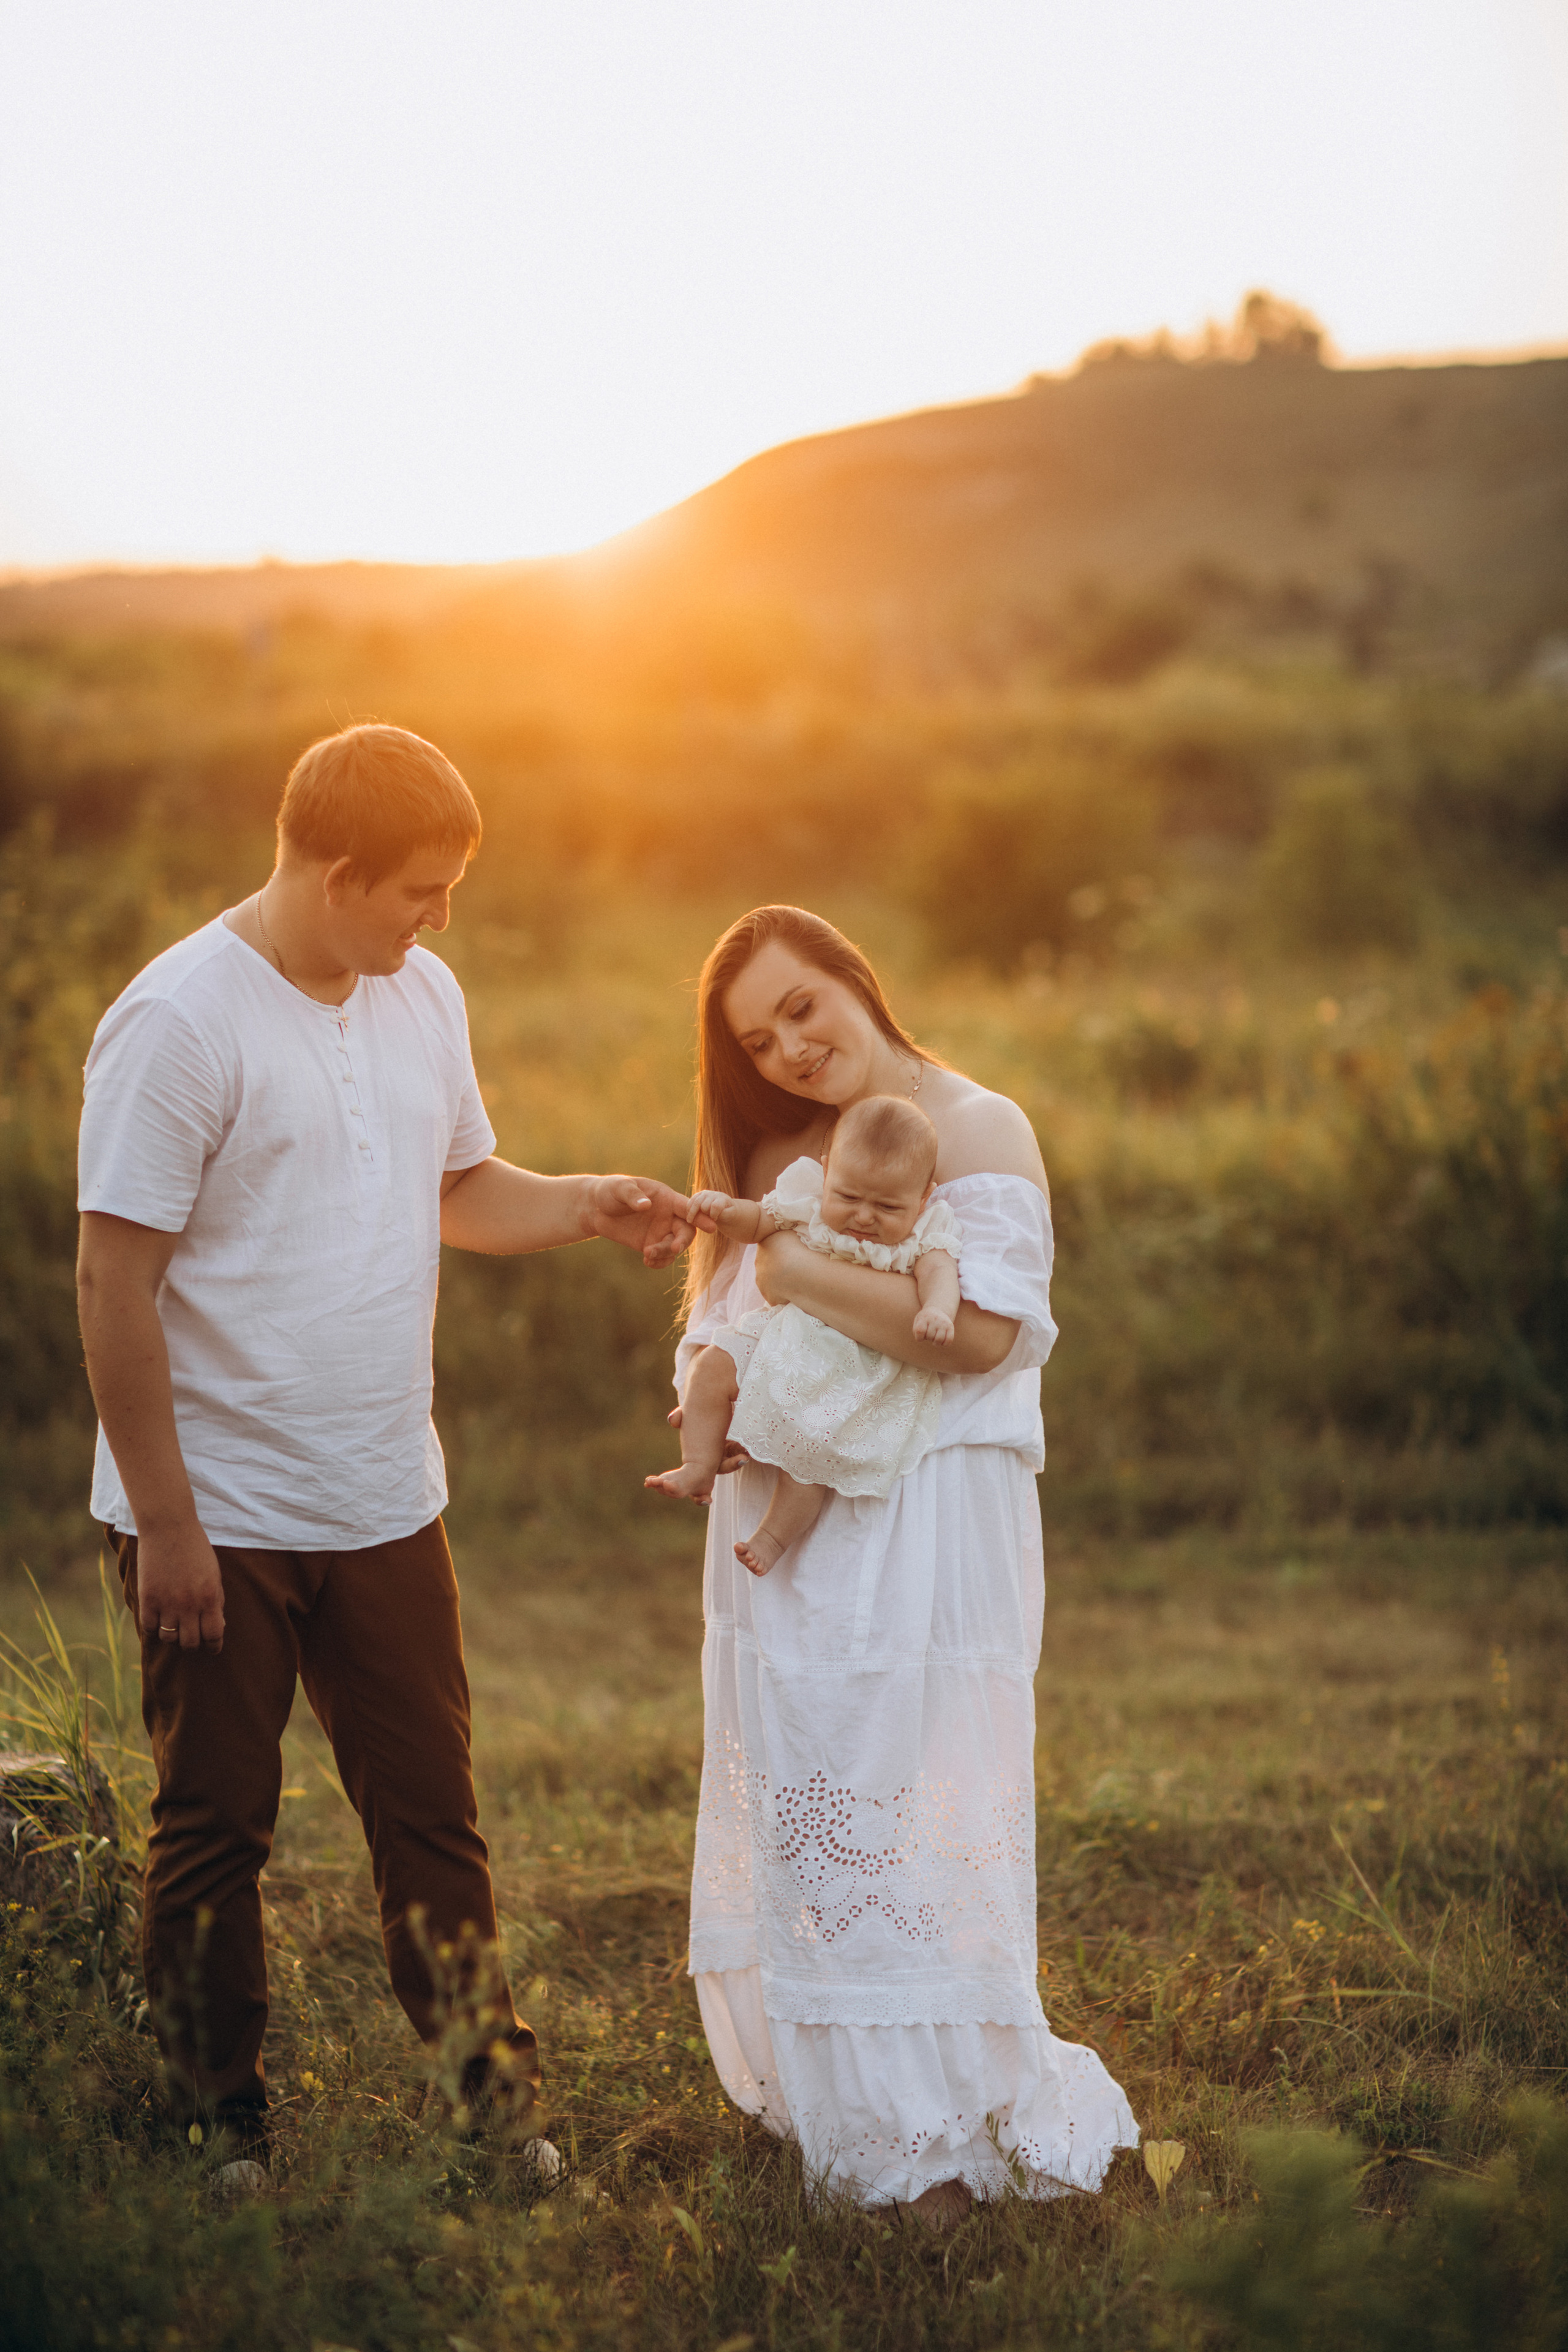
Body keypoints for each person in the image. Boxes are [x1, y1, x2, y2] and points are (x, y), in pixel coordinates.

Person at [75, 723, 694, 2160]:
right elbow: (112, 1279)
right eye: (419, 889)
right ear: (332, 870)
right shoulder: (180, 1021)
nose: (440, 920)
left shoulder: (418, 991)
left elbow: (460, 1185)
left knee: (433, 1818)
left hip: (384, 1496)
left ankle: (492, 2107)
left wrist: (585, 1198)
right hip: (216, 1505)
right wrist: (166, 1521)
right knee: (216, 1829)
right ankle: (215, 2122)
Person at [674, 904, 1137, 2225]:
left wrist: (795, 1265)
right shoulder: (769, 1150)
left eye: (800, 1009)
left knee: (926, 1799)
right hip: (782, 1511)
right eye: (759, 1041)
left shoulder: (978, 1125)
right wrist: (729, 1356)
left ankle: (944, 2123)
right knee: (821, 1812)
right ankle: (856, 2117)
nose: (789, 1052)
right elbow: (713, 1333)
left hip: (932, 1508)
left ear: (851, 979)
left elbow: (975, 1337)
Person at [646, 1094, 963, 1577]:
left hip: (851, 1366)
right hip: (782, 1336)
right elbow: (758, 1222)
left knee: (813, 1454)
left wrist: (938, 1309)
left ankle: (772, 1539)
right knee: (711, 1365)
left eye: (887, 1206)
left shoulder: (925, 1234)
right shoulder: (807, 1201)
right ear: (826, 1171)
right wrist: (726, 1211)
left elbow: (941, 1271)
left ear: (923, 1199)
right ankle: (697, 1464)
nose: (863, 1216)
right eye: (849, 1197)